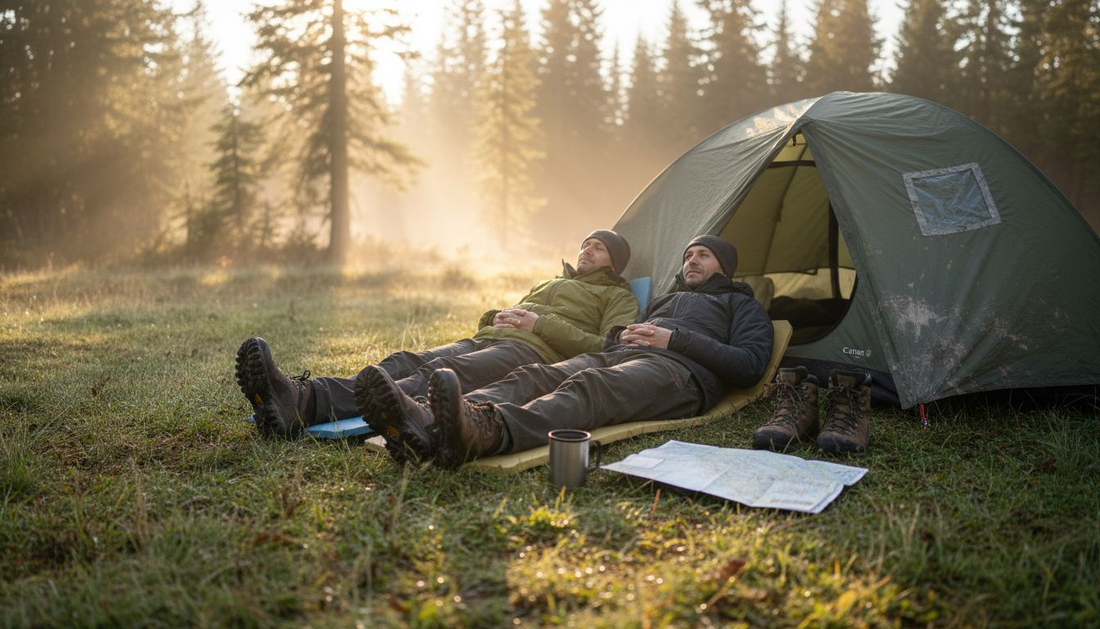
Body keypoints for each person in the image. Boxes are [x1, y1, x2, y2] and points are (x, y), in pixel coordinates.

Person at [361, 235, 775, 469]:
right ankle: (428, 421)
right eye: (688, 255)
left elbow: (750, 366)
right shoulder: (665, 299)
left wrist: (675, 340)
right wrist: (622, 337)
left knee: (592, 387)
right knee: (537, 376)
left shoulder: (742, 305)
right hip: (622, 355)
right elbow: (613, 336)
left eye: (703, 255)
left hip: (679, 374)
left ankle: (487, 430)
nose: (692, 261)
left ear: (725, 266)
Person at [235, 230, 639, 456]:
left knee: (438, 373)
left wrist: (541, 324)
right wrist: (494, 317)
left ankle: (410, 418)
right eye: (585, 243)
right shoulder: (551, 281)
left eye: (598, 247)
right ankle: (301, 399)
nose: (587, 250)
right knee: (404, 360)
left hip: (528, 352)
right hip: (488, 338)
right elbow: (509, 312)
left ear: (615, 261)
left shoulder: (617, 295)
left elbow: (606, 348)